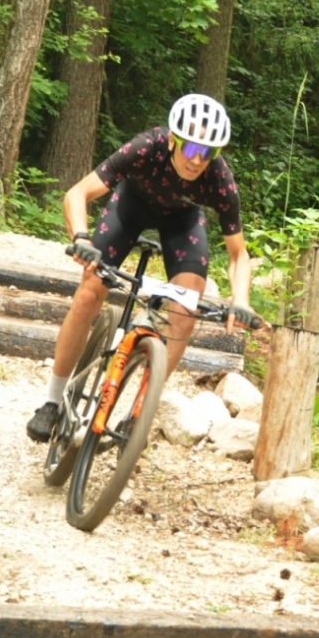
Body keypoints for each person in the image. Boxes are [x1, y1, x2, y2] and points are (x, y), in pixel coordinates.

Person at [26, 94, 258, 442]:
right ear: (173, 140)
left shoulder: (219, 180)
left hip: (182, 221)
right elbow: (77, 194)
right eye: (192, 149)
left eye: (208, 153)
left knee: (187, 306)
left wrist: (241, 299)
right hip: (131, 206)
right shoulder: (146, 147)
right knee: (90, 291)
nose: (198, 161)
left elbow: (239, 254)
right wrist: (82, 239)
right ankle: (51, 401)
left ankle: (139, 411)